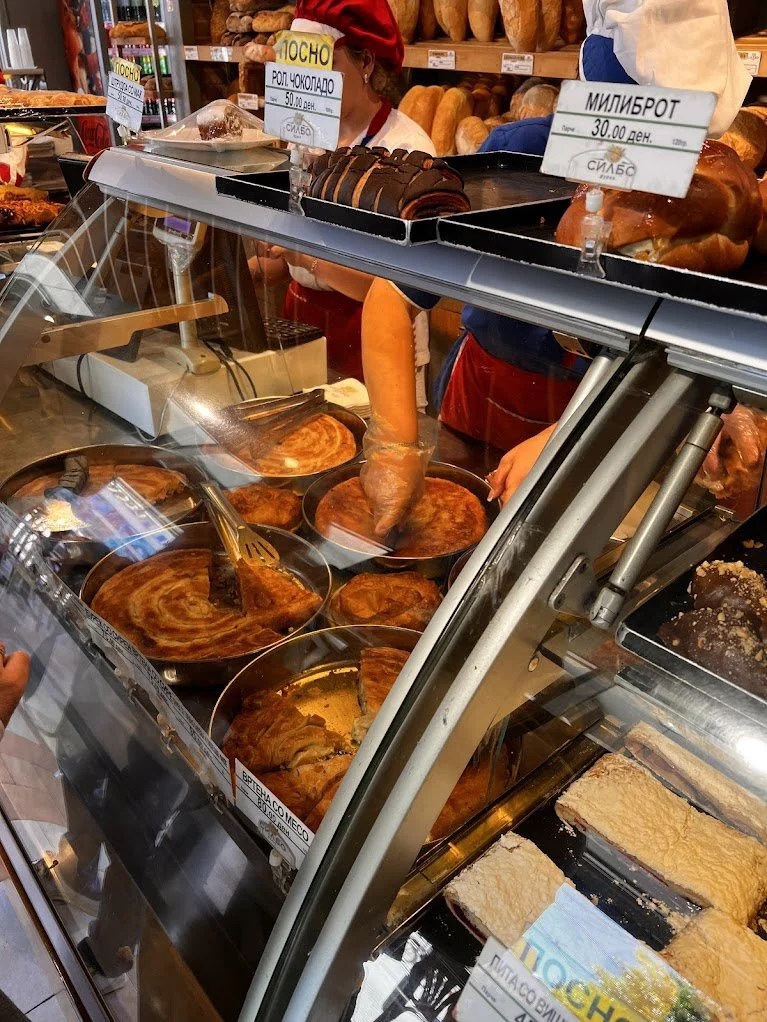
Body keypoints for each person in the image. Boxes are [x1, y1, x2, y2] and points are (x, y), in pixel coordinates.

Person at [361, 0, 750, 533]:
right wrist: (394, 446)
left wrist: (570, 434)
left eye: (678, 137)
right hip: (485, 398)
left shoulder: (720, 207)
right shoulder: (521, 152)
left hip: (615, 429)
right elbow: (391, 295)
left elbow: (681, 347)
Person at [247, 0, 435, 385]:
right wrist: (258, 266)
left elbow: (401, 288)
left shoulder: (407, 150)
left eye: (323, 64)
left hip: (377, 334)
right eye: (300, 66)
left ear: (366, 62)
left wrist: (304, 256)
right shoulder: (303, 137)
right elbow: (290, 260)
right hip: (302, 324)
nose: (310, 81)